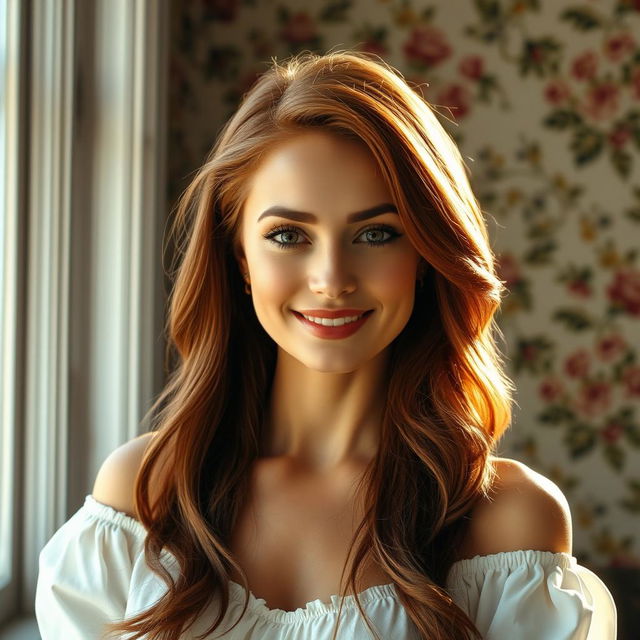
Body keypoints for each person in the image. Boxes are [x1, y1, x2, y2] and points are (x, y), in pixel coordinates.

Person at [35, 49, 617, 640]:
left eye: (376, 233)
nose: (332, 278)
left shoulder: (504, 522)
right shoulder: (146, 494)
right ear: (239, 258)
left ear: (424, 256)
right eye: (288, 235)